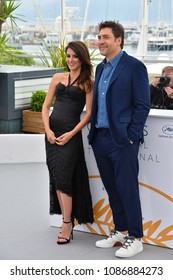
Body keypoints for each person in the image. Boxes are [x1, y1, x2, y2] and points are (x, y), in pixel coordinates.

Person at [88, 20, 150, 258]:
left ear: (118, 40)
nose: (100, 41)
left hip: (122, 141)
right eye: (99, 37)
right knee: (113, 189)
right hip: (101, 138)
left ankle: (136, 237)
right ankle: (121, 230)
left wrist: (132, 136)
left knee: (127, 188)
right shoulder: (100, 67)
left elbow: (142, 104)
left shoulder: (134, 66)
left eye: (105, 37)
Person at [42, 41, 94, 245]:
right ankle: (66, 219)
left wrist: (71, 133)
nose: (70, 60)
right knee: (56, 177)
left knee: (64, 179)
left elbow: (89, 114)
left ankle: (66, 223)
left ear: (82, 58)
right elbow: (46, 107)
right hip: (51, 136)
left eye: (75, 56)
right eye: (68, 56)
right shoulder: (57, 78)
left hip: (69, 136)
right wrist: (47, 130)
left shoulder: (88, 82)